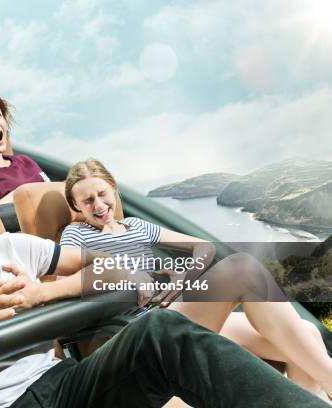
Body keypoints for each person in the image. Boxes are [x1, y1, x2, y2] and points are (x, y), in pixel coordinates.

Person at [0, 155, 328, 408]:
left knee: (162, 334)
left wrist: (47, 290)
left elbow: (121, 270)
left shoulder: (12, 248)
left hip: (60, 386)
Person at [60, 158, 332, 399]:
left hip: (175, 310)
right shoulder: (76, 236)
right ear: (76, 206)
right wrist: (125, 274)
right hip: (143, 328)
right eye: (87, 201)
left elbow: (204, 247)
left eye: (101, 194)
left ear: (114, 189)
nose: (98, 205)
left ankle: (309, 398)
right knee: (242, 269)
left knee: (307, 333)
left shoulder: (136, 226)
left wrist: (183, 276)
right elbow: (68, 284)